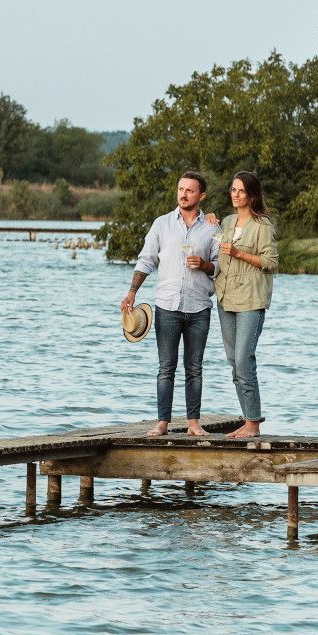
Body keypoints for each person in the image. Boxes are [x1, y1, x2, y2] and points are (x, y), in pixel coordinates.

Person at [120, 169, 219, 437]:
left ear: (201, 195)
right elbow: (146, 261)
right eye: (180, 189)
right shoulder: (161, 224)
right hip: (167, 307)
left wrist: (205, 264)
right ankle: (162, 422)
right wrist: (132, 293)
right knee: (166, 368)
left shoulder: (212, 227)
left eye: (189, 190)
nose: (183, 194)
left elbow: (221, 266)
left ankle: (194, 424)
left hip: (199, 307)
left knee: (195, 368)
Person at [216, 169, 276, 437]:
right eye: (233, 190)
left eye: (241, 191)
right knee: (232, 360)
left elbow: (271, 262)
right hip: (226, 297)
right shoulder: (227, 223)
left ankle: (253, 422)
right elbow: (213, 243)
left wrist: (239, 253)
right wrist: (209, 222)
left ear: (251, 196)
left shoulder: (263, 226)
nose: (235, 195)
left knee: (243, 359)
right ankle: (247, 419)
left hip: (251, 299)